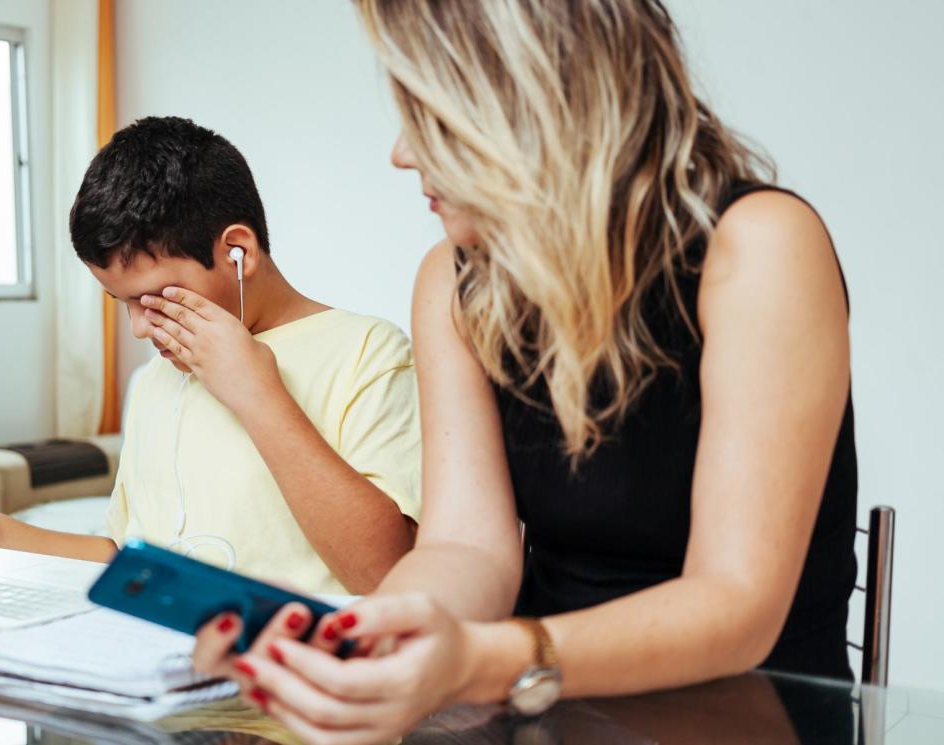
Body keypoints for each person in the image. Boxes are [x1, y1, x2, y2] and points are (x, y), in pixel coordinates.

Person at [192, 0, 858, 740]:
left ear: (534, 103)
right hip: (551, 710)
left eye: (433, 116)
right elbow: (465, 547)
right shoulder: (452, 279)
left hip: (753, 719)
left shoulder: (759, 245)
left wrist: (486, 658)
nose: (401, 154)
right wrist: (364, 634)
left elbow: (736, 607)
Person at [0, 116, 421, 595]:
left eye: (154, 298)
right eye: (123, 303)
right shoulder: (156, 381)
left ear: (238, 251)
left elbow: (385, 575)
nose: (140, 327)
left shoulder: (369, 353)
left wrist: (257, 394)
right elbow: (127, 559)